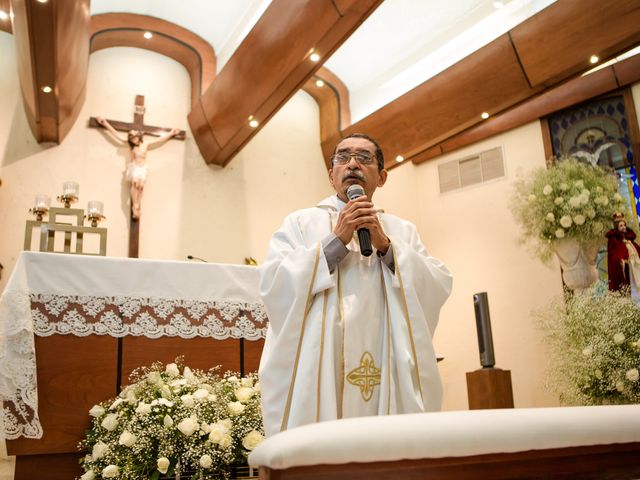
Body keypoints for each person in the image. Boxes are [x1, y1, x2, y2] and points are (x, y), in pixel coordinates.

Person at [258, 133, 453, 437]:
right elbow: (274, 283)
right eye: (343, 157)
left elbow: (437, 282)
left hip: (385, 352)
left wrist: (387, 247)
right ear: (331, 174)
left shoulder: (401, 230)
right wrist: (336, 240)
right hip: (322, 363)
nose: (352, 164)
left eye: (364, 158)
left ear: (382, 176)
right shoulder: (300, 223)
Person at [96, 117, 180, 219]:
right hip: (135, 167)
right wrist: (105, 124)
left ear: (139, 137)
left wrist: (171, 133)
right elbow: (117, 135)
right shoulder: (132, 146)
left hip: (143, 168)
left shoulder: (146, 144)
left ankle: (138, 205)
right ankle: (134, 205)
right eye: (131, 138)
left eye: (134, 137)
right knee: (135, 183)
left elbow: (159, 140)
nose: (133, 139)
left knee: (140, 186)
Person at [606, 212, 640, 299]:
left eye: (624, 225)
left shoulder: (629, 238)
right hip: (626, 269)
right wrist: (621, 260)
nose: (624, 227)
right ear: (617, 227)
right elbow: (614, 257)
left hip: (635, 267)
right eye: (621, 226)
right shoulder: (613, 240)